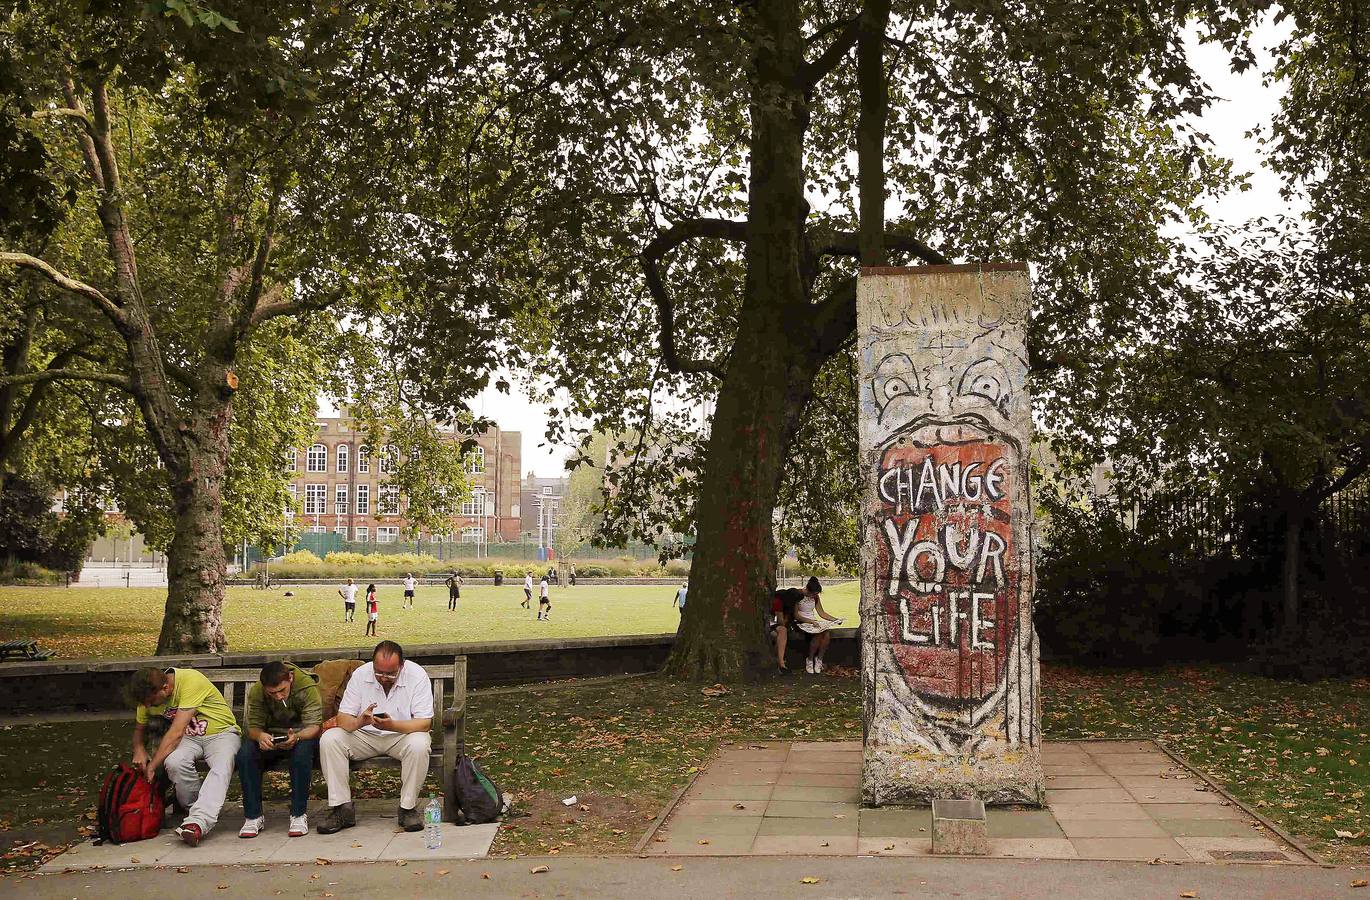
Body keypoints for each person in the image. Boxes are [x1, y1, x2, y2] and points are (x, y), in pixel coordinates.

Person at [317, 641, 434, 834]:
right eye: (379, 672)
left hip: (401, 734)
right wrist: (359, 722)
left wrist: (392, 725)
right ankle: (341, 808)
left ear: (401, 666)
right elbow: (343, 718)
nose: (384, 678)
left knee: (420, 744)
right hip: (364, 735)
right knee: (330, 739)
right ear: (372, 664)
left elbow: (423, 723)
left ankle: (407, 808)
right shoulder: (361, 674)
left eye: (390, 673)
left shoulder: (417, 675)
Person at [126, 666, 241, 846]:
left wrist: (152, 765)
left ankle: (198, 822)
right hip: (190, 740)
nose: (148, 706)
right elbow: (139, 729)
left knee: (222, 765)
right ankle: (195, 814)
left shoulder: (190, 680)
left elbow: (176, 733)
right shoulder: (147, 695)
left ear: (166, 688)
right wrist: (139, 748)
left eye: (152, 702)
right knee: (174, 762)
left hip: (222, 734)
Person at [236, 661, 323, 839]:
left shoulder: (306, 687)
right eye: (272, 693)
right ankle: (253, 816)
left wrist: (297, 736)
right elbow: (252, 727)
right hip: (270, 738)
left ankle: (298, 814)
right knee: (245, 754)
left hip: (301, 736)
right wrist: (260, 736)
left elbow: (314, 726)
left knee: (302, 754)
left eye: (282, 690)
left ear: (290, 678)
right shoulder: (258, 691)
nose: (278, 697)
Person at [794, 576, 843, 674]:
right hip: (801, 622)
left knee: (827, 633)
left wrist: (835, 619)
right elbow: (796, 615)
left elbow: (821, 613)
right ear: (808, 590)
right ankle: (810, 659)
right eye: (814, 594)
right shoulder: (798, 595)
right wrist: (810, 621)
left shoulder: (815, 597)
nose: (814, 596)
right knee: (818, 634)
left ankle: (819, 659)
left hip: (813, 622)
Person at [770, 587, 804, 674]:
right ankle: (781, 662)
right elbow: (780, 621)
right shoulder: (778, 602)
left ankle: (776, 661)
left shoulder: (790, 604)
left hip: (779, 626)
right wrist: (787, 618)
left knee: (780, 636)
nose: (797, 604)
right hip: (771, 623)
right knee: (782, 632)